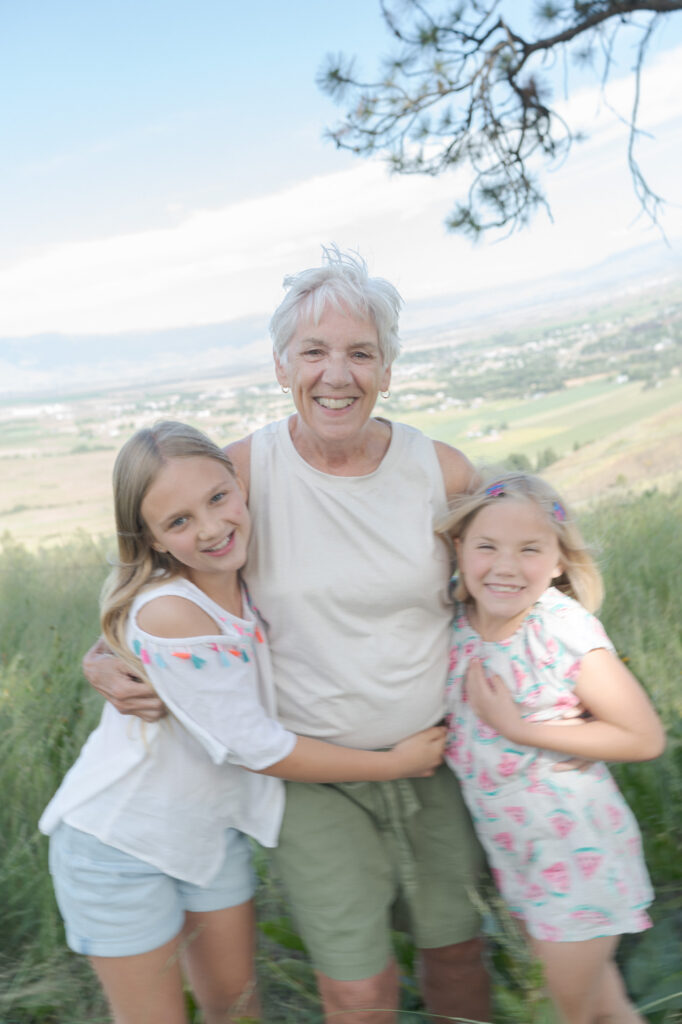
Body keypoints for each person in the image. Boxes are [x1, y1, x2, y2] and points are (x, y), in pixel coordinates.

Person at [83, 247, 491, 1024]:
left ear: (388, 371)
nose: (337, 374)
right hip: (311, 776)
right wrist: (102, 655)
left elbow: (506, 573)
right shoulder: (240, 471)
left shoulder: (443, 473)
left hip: (435, 752)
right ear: (280, 366)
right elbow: (154, 577)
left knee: (458, 952)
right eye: (314, 352)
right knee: (357, 989)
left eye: (360, 353)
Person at [40, 421, 447, 1024]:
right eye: (178, 522)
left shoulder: (241, 577)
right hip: (120, 845)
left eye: (217, 498)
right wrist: (395, 764)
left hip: (213, 836)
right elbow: (258, 748)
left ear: (240, 483)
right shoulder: (174, 609)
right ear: (151, 539)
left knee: (236, 1010)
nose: (209, 527)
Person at [439, 470, 666, 1024]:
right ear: (458, 548)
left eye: (530, 550)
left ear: (560, 561)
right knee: (604, 1008)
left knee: (566, 1012)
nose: (506, 565)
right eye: (487, 546)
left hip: (578, 852)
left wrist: (519, 729)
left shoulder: (559, 629)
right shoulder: (457, 627)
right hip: (520, 856)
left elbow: (644, 737)